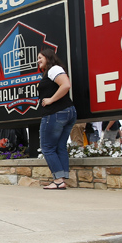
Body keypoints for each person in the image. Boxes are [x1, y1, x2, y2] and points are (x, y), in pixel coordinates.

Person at [37, 48, 76, 189]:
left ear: (48, 57)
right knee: (60, 147)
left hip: (55, 113)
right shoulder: (52, 71)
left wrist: (50, 100)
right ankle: (62, 179)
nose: (38, 60)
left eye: (40, 57)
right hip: (67, 112)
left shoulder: (54, 69)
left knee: (47, 147)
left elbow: (66, 85)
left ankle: (58, 180)